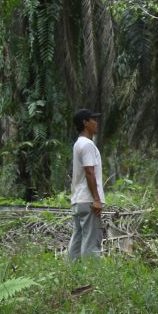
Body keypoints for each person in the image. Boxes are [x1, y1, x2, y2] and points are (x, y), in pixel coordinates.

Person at [68, 108, 104, 259]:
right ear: (85, 123)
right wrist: (96, 199)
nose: (96, 123)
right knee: (91, 241)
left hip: (78, 200)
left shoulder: (78, 144)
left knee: (77, 240)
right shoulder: (88, 145)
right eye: (92, 120)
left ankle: (71, 272)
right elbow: (89, 172)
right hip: (88, 200)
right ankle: (91, 276)